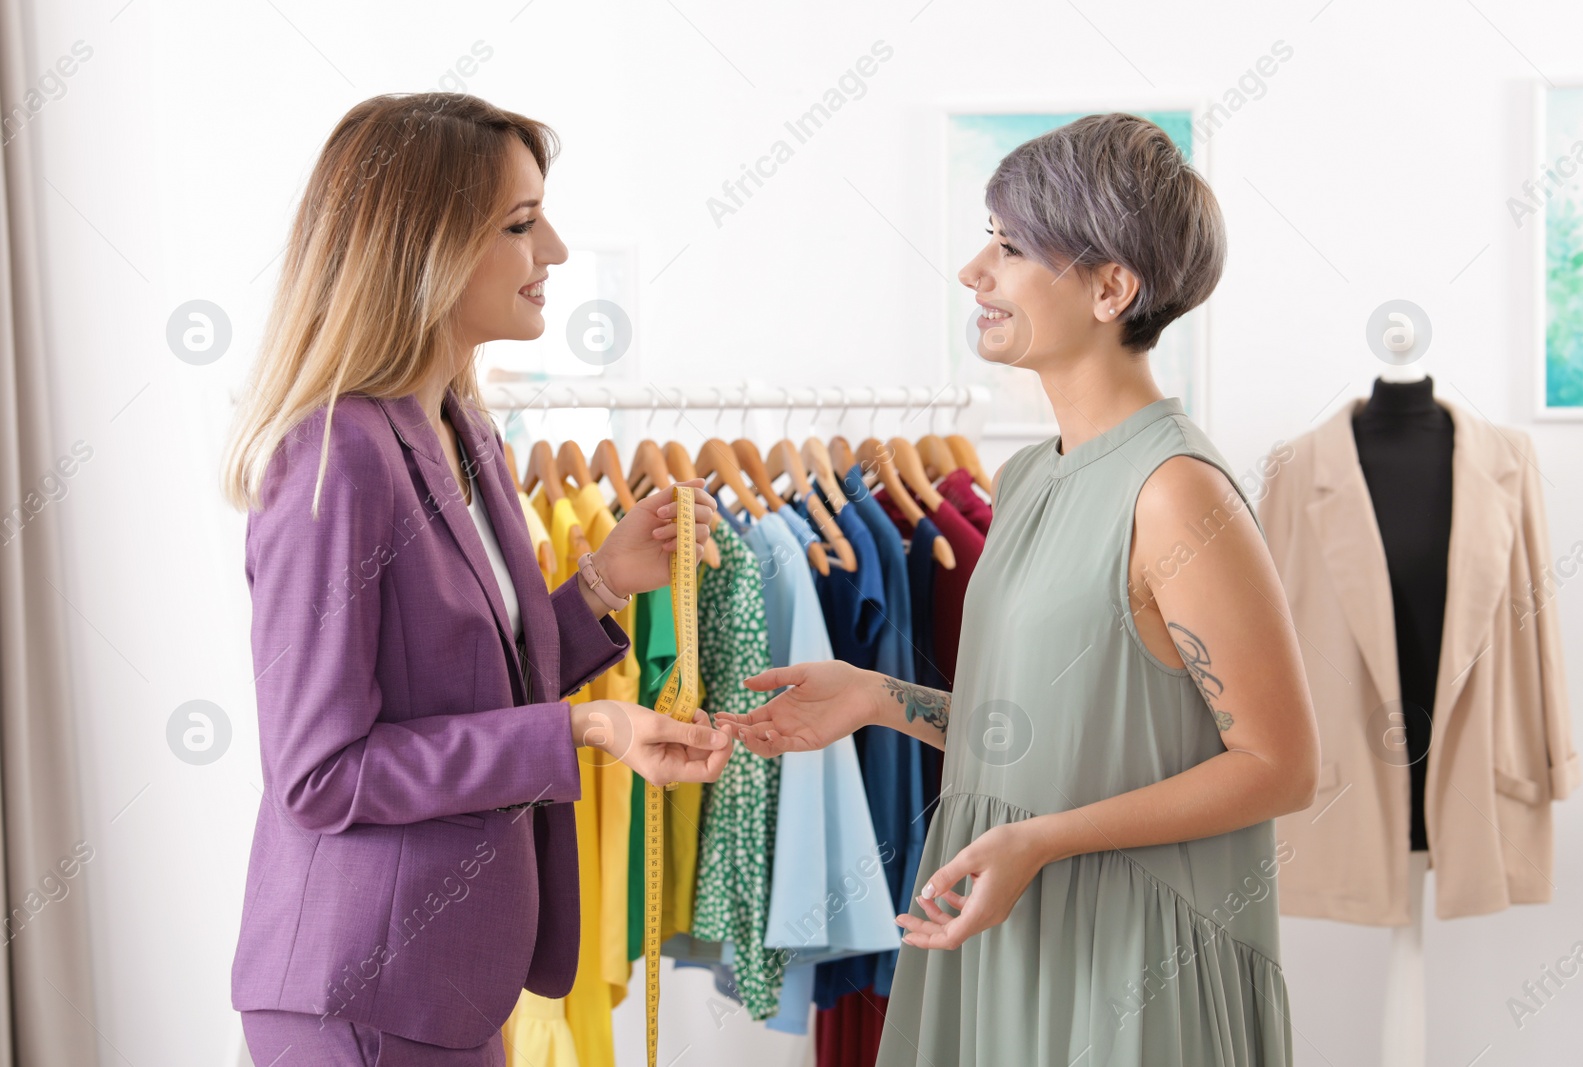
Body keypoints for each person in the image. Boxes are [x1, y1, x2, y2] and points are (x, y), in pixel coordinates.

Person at [727, 113, 1319, 1065]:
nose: (974, 271)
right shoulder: (1028, 479)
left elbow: (1281, 765)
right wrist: (881, 698)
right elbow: (1053, 739)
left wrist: (1039, 842)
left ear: (1111, 287)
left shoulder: (1175, 494)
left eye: (1008, 245)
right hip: (1009, 922)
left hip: (1132, 957)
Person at [219, 92, 736, 1065]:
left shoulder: (465, 427)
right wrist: (584, 725)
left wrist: (598, 589)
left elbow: (461, 675)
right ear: (427, 248)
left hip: (447, 978)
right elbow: (323, 772)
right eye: (522, 224)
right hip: (359, 986)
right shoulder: (333, 456)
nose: (557, 253)